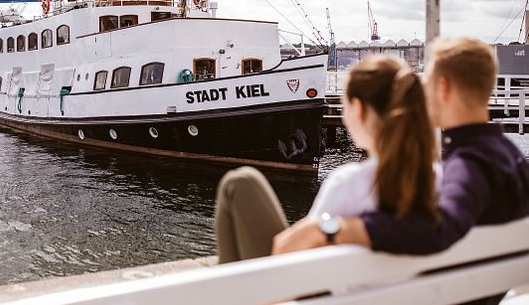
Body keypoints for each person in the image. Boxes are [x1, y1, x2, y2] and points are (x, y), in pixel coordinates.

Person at [272, 37, 529, 305]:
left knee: (243, 189)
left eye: (426, 82)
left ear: (442, 87)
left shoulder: (470, 165)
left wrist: (333, 228)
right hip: (473, 289)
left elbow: (439, 230)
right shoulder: (510, 157)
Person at [214, 55, 440, 263]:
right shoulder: (441, 180)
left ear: (359, 110)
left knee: (241, 183)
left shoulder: (348, 184)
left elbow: (293, 254)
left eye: (345, 105)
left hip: (311, 293)